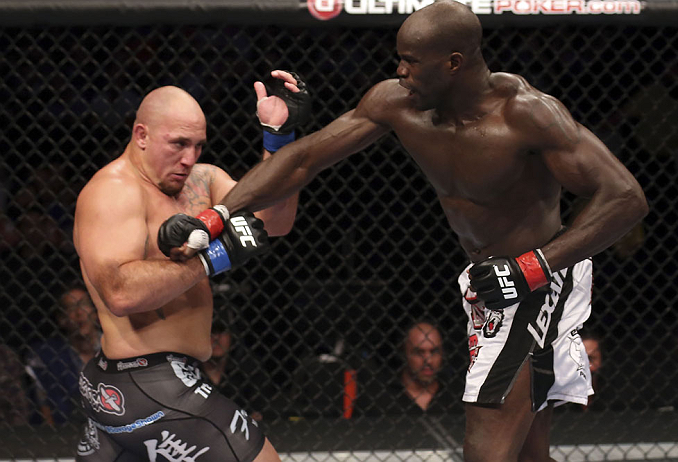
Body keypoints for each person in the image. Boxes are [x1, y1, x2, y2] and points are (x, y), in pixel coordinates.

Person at [159, 2, 648, 460]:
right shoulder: (398, 103)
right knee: (527, 449)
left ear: (454, 63)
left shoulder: (526, 114)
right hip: (488, 279)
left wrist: (529, 268)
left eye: (412, 61)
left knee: (487, 440)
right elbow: (305, 159)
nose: (401, 71)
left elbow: (625, 198)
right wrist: (217, 215)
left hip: (540, 276)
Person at [72, 72, 307, 461]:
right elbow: (120, 292)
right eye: (178, 144)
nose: (189, 158)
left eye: (198, 146)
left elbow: (274, 220)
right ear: (141, 134)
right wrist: (215, 257)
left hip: (135, 383)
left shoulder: (203, 180)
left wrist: (279, 140)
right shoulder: (114, 192)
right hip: (147, 382)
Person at [25, 283, 101, 425]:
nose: (79, 313)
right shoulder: (49, 355)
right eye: (71, 308)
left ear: (95, 312)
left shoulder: (114, 348)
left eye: (83, 305)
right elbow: (44, 403)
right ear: (62, 319)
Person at [202, 315, 270, 422]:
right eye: (211, 332)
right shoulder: (187, 370)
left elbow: (257, 414)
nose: (216, 338)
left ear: (232, 335)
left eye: (222, 331)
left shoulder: (248, 369)